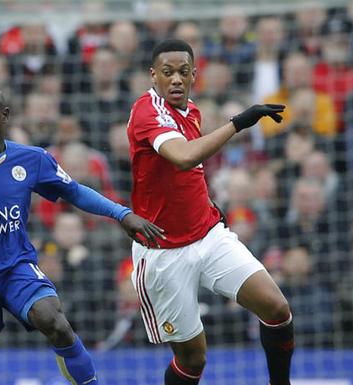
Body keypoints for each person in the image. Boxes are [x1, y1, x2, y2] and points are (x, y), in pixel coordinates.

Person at [0, 85, 165, 385]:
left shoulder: (31, 159)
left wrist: (122, 214)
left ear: (5, 115)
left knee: (56, 323)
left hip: (15, 269)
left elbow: (74, 191)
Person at [126, 39, 294, 385]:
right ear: (153, 75)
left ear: (193, 76)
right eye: (168, 72)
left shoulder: (192, 111)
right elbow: (185, 156)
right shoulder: (147, 111)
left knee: (277, 310)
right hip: (164, 254)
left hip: (208, 235)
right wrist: (238, 123)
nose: (175, 80)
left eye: (183, 73)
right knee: (193, 360)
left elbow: (186, 175)